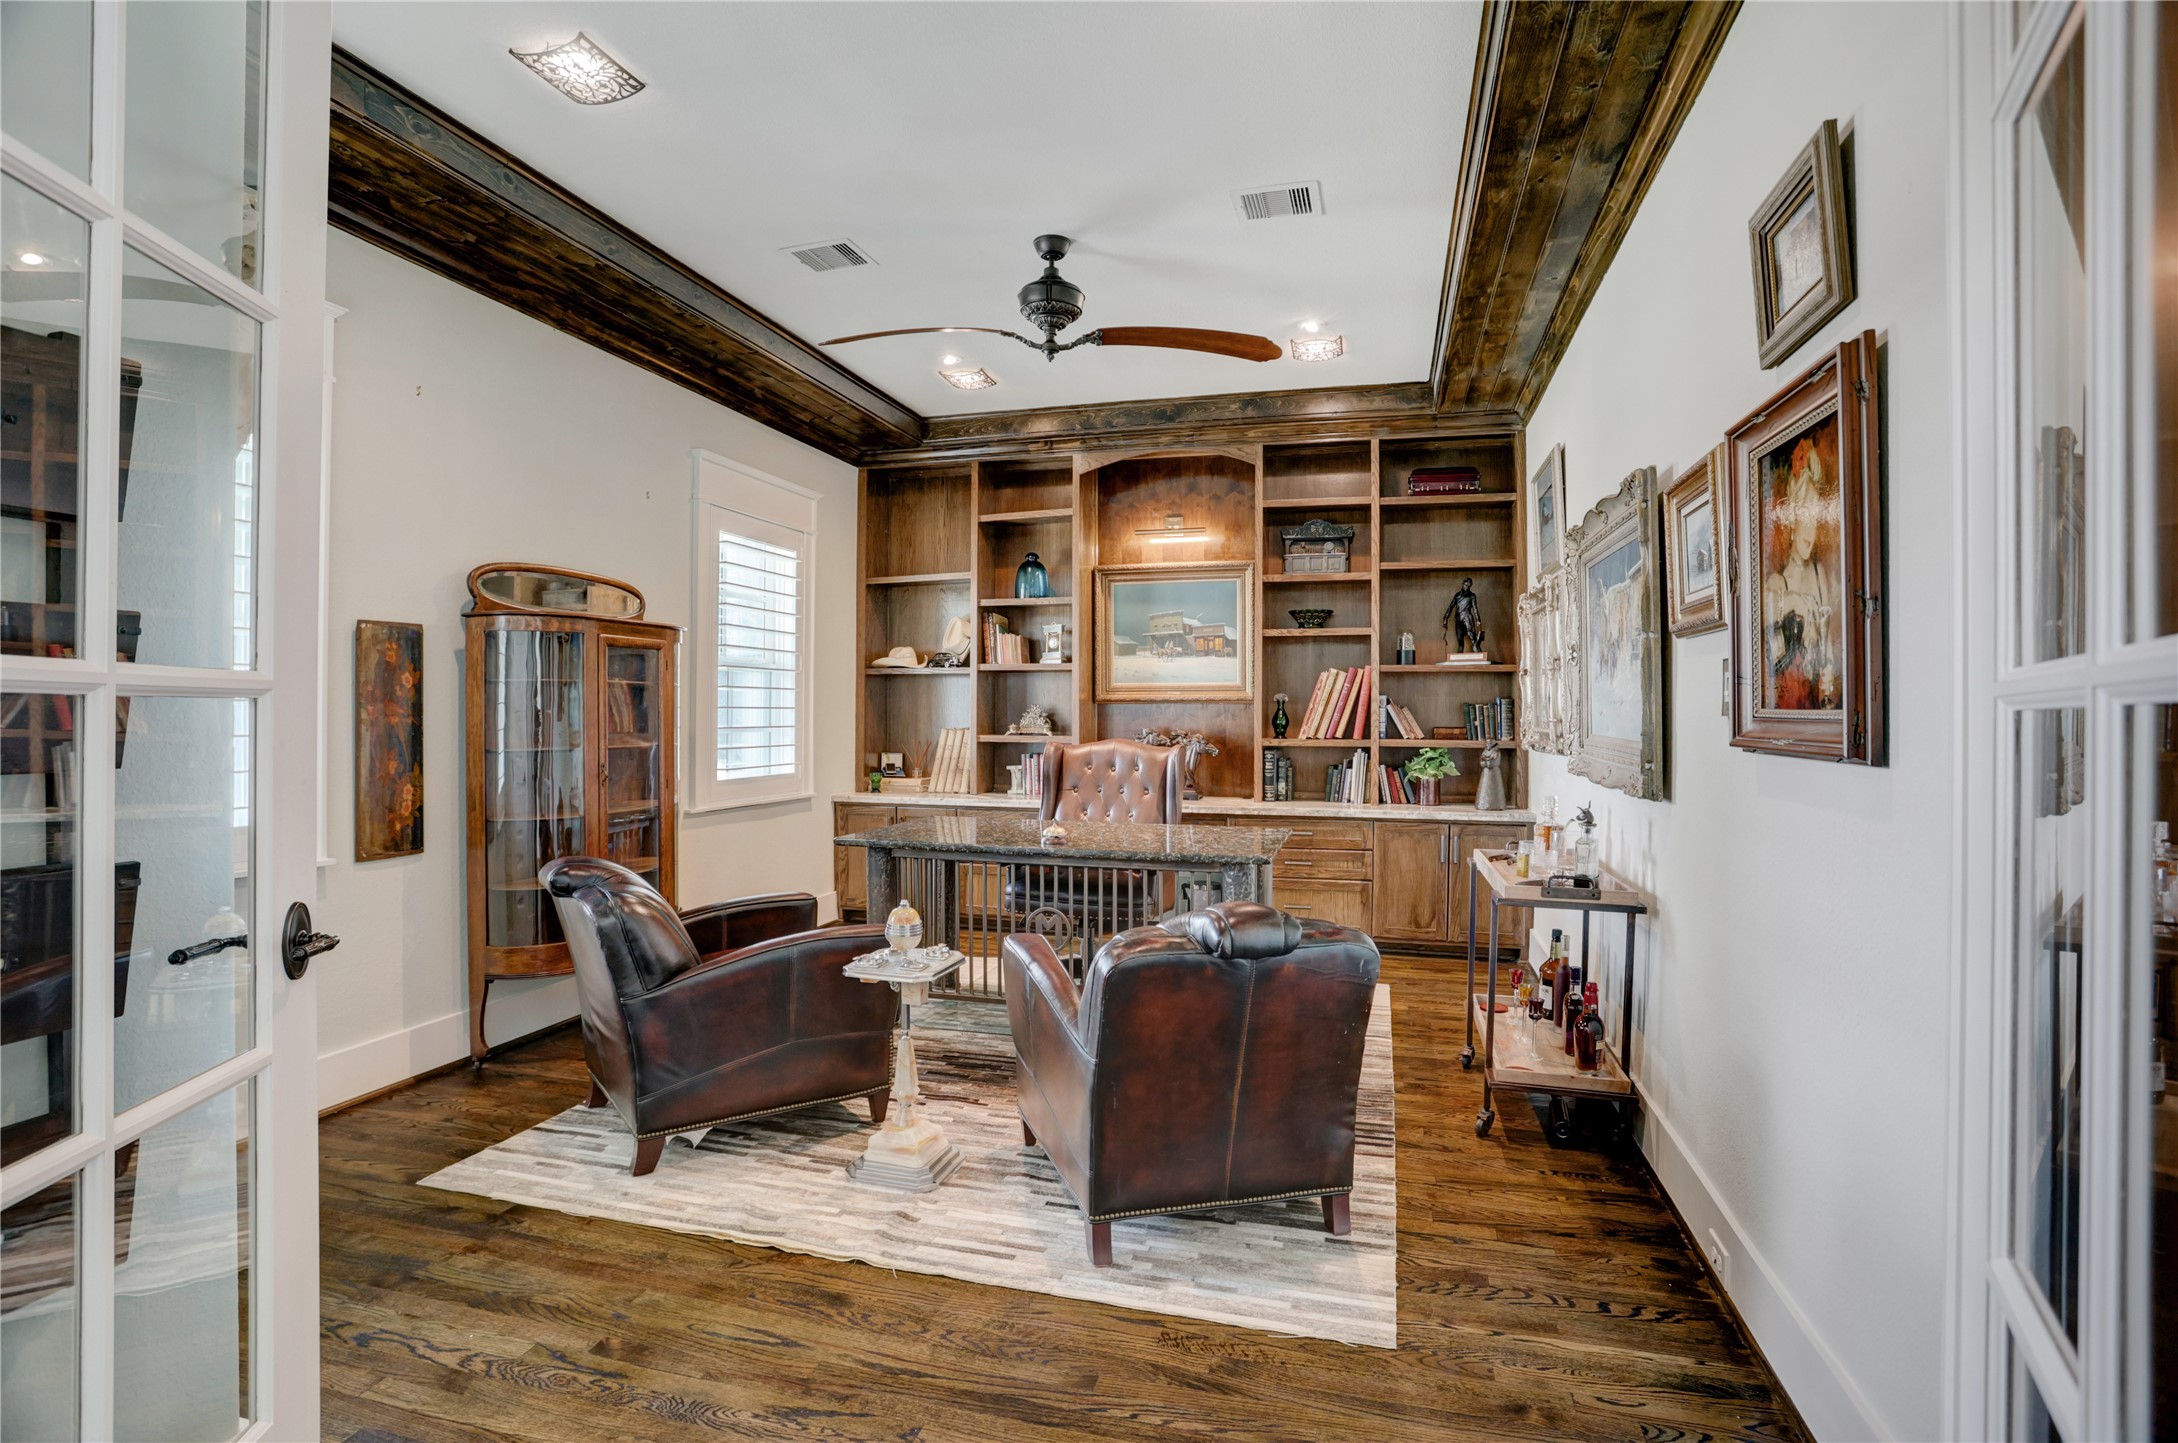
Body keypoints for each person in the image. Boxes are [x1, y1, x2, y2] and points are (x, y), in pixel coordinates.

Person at [1763, 437, 1838, 710]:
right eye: (1805, 519)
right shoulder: (1777, 583)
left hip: (1816, 717)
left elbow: (1828, 657)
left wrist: (1829, 701)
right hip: (1785, 709)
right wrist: (1792, 602)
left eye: (1816, 521)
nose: (1810, 532)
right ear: (1792, 521)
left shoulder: (1820, 576)